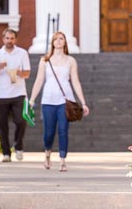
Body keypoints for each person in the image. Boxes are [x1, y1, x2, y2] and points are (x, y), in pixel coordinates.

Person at [29, 31, 90, 172]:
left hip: (65, 101)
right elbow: (39, 80)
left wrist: (83, 102)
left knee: (63, 130)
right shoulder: (45, 60)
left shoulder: (71, 60)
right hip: (48, 101)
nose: (58, 41)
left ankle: (62, 160)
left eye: (61, 38)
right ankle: (47, 155)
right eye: (55, 39)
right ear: (52, 42)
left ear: (65, 42)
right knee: (48, 133)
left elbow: (75, 81)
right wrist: (32, 99)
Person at [0, 28, 31, 162]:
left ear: (15, 40)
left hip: (18, 93)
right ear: (3, 39)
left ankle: (18, 147)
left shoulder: (22, 53)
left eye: (12, 38)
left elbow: (27, 74)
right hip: (0, 95)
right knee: (2, 126)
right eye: (7, 38)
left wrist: (19, 72)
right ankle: (6, 153)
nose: (9, 41)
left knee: (21, 121)